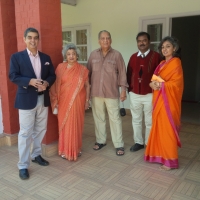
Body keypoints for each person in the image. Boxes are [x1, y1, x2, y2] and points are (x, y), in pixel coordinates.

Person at [9, 27, 56, 180]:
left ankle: (36, 155)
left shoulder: (45, 57)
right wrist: (29, 81)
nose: (33, 40)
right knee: (25, 133)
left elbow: (52, 75)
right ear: (25, 39)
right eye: (30, 37)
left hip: (42, 99)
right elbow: (13, 76)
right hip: (26, 100)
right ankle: (23, 165)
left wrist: (46, 84)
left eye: (35, 37)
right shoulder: (17, 57)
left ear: (38, 39)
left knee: (41, 129)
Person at [144, 36, 184, 170]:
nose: (165, 49)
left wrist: (161, 86)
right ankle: (160, 155)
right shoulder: (161, 64)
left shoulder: (176, 62)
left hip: (169, 103)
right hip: (159, 102)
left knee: (168, 131)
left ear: (174, 48)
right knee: (160, 129)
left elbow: (176, 84)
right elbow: (154, 80)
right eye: (162, 47)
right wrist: (152, 83)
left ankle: (170, 161)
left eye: (168, 46)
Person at [87, 30, 128, 156]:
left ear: (111, 40)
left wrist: (123, 91)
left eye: (108, 38)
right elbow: (87, 74)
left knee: (115, 119)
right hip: (96, 92)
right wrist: (87, 92)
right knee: (98, 118)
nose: (105, 40)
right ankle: (101, 141)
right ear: (99, 40)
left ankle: (119, 144)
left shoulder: (117, 55)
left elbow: (122, 74)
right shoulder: (93, 55)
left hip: (111, 93)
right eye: (103, 38)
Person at [50, 44, 90, 161]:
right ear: (65, 56)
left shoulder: (83, 70)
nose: (71, 56)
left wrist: (87, 100)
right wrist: (55, 100)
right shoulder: (60, 68)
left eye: (73, 54)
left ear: (77, 55)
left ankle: (76, 149)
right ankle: (64, 150)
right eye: (68, 54)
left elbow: (87, 86)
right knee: (64, 125)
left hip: (78, 102)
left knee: (76, 125)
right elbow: (55, 85)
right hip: (63, 102)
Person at [127, 32, 161, 152]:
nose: (142, 43)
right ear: (137, 43)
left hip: (150, 94)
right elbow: (129, 75)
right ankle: (138, 142)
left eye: (144, 40)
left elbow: (160, 75)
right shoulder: (132, 57)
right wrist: (130, 90)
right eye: (139, 41)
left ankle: (148, 143)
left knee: (149, 121)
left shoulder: (156, 56)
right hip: (134, 93)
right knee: (136, 119)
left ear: (149, 41)